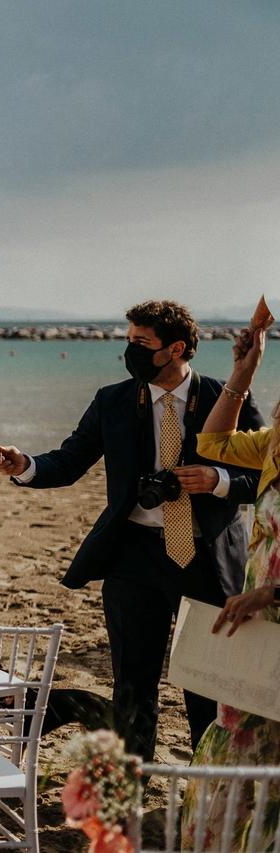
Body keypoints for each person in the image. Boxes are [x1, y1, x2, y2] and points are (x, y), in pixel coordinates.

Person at [0, 301, 262, 761]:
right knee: (134, 680)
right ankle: (133, 783)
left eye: (140, 343)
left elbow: (266, 477)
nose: (128, 351)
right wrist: (24, 465)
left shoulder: (225, 397)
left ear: (176, 349)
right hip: (134, 556)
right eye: (127, 340)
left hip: (208, 558)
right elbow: (69, 461)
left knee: (207, 685)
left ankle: (204, 790)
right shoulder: (112, 401)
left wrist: (220, 480)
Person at [178, 325, 280, 848]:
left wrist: (273, 593)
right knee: (233, 741)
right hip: (258, 625)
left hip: (270, 609)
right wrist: (243, 372)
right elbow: (212, 443)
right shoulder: (275, 446)